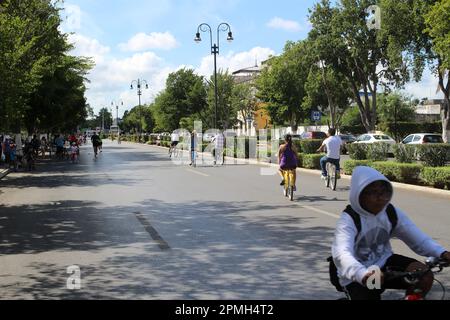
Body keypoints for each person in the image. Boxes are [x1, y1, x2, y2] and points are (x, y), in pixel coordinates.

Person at [331, 166, 450, 300]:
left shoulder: (390, 212)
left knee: (423, 275)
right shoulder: (349, 219)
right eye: (373, 193)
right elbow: (341, 254)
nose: (380, 198)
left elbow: (418, 239)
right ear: (359, 195)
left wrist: (442, 253)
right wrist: (362, 274)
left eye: (384, 192)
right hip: (358, 272)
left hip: (385, 263)